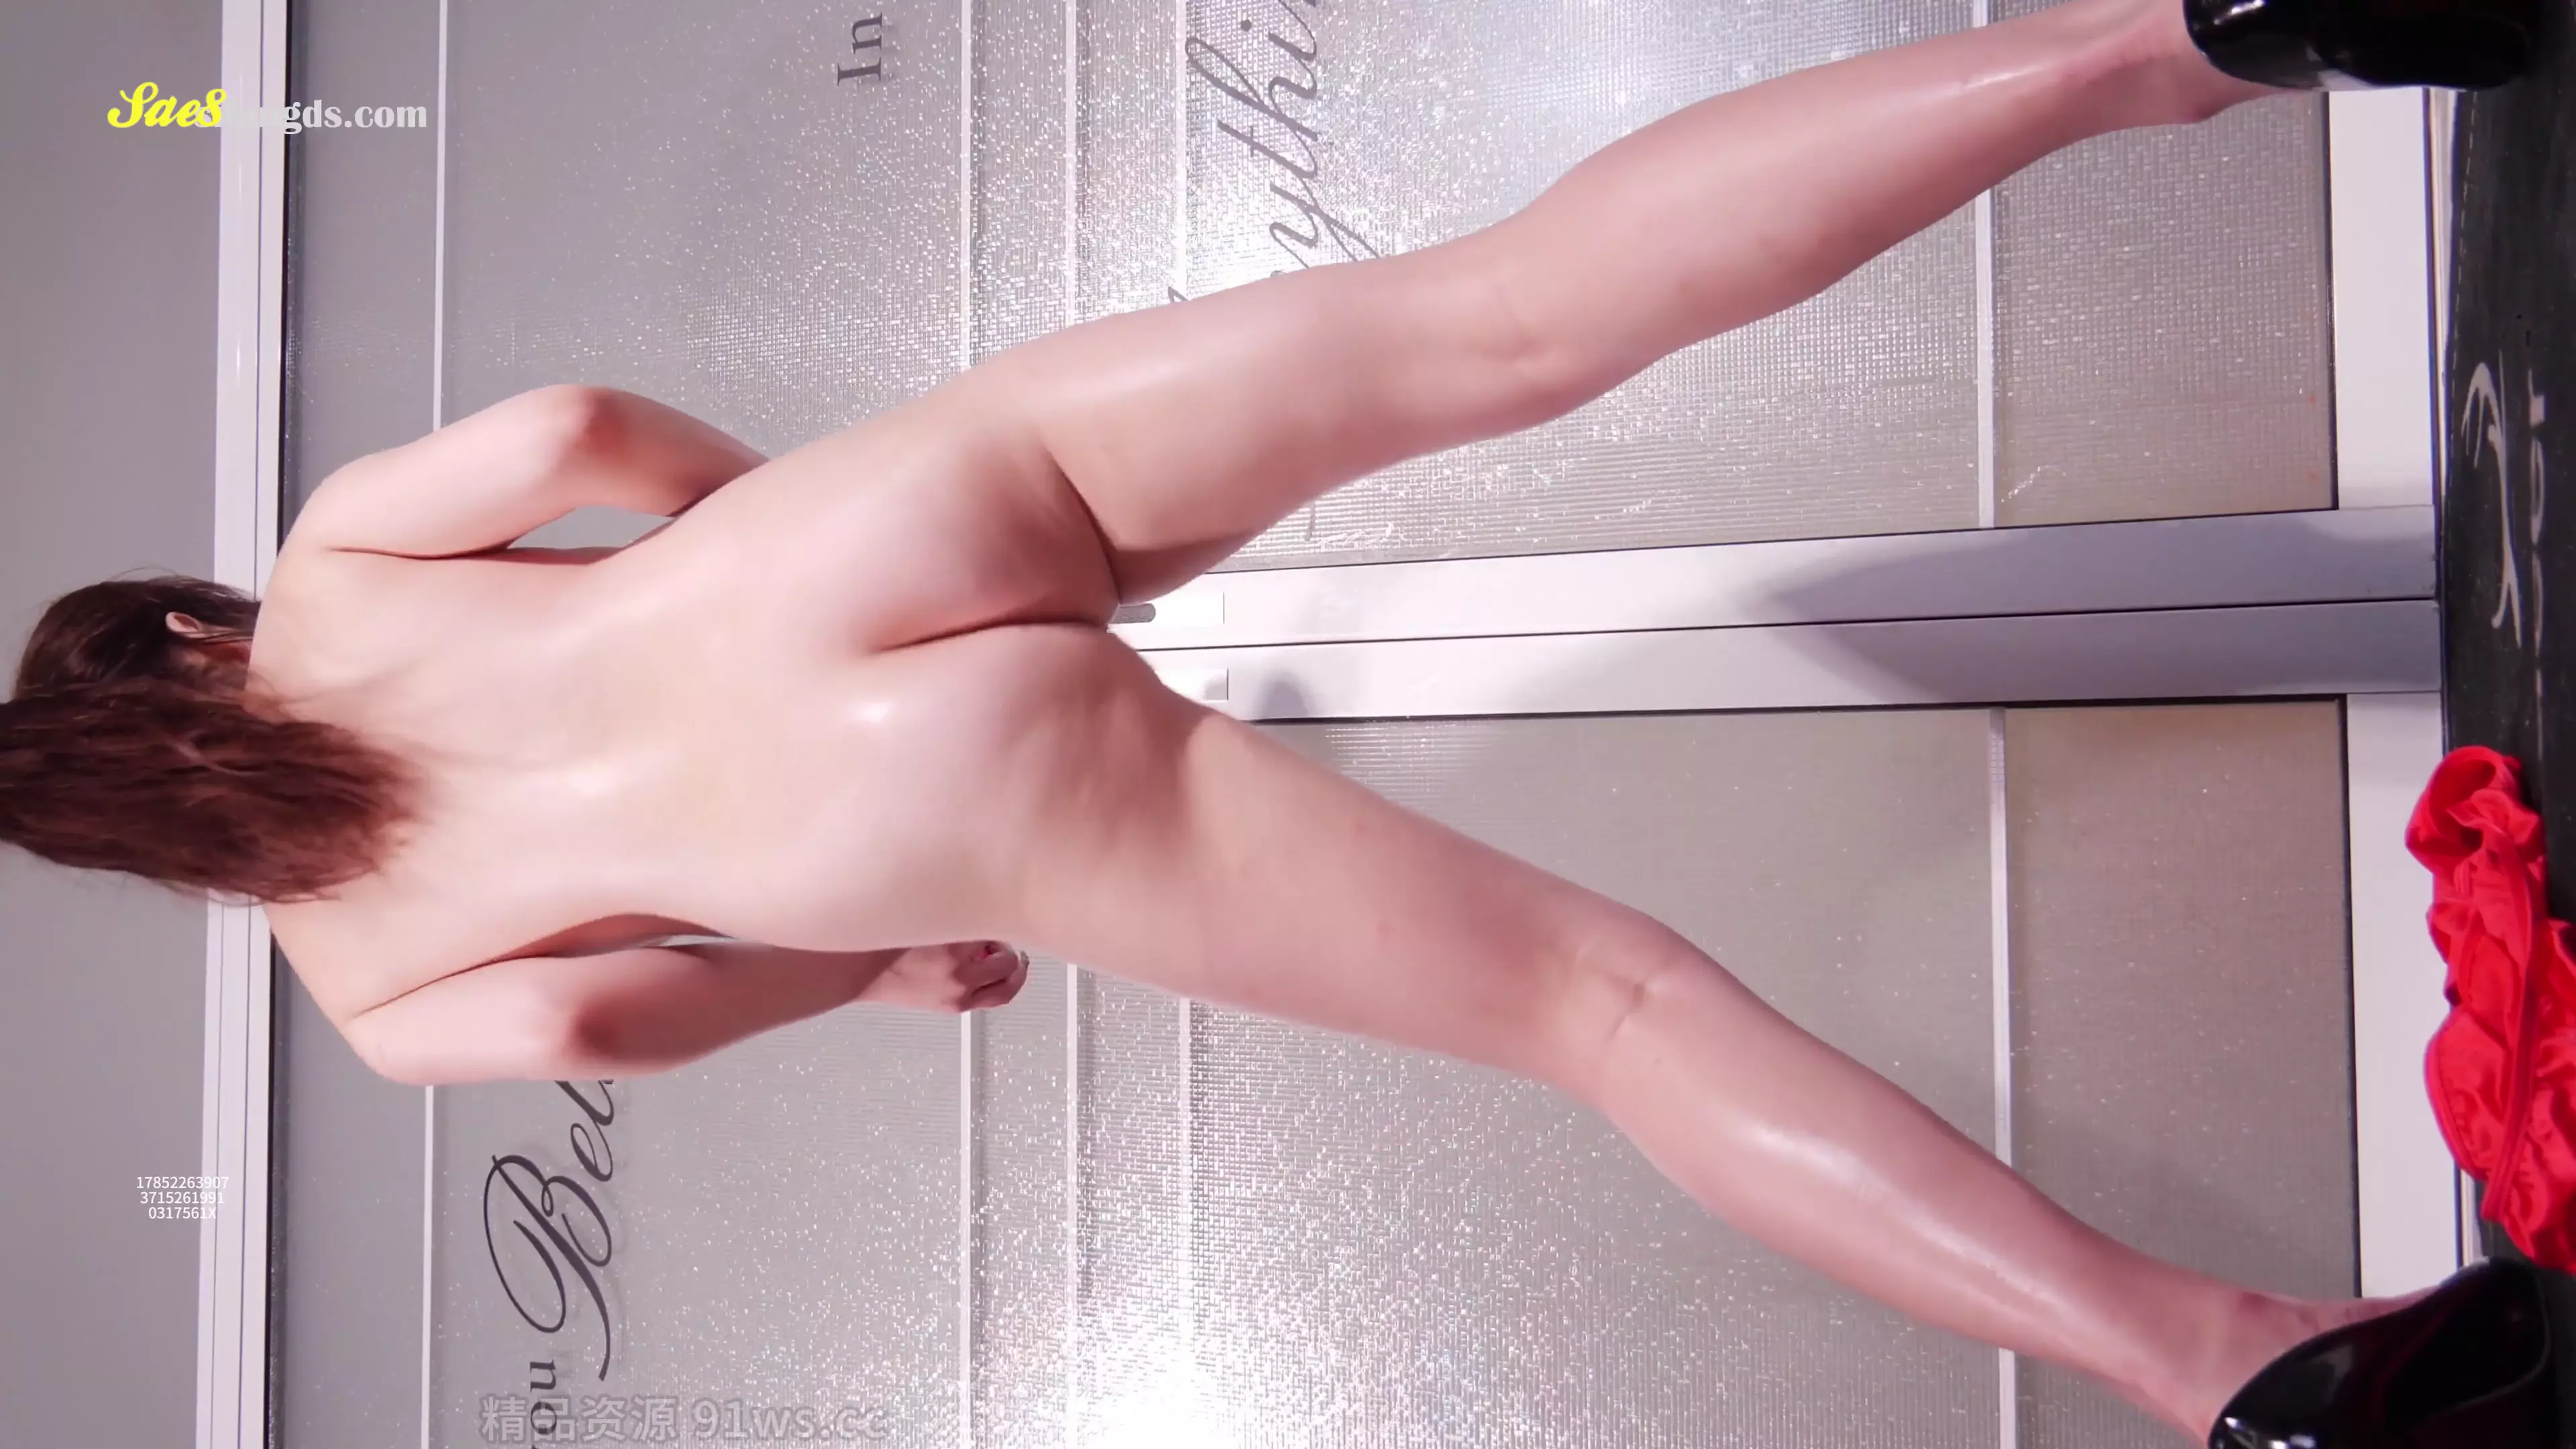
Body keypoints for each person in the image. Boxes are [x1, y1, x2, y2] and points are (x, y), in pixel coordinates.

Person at [2, 0, 2555, 1443]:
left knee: (1606, 1011)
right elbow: (571, 427)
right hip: (863, 541)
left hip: (911, 809)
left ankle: (2236, 1377)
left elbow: (591, 1020)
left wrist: (862, 967)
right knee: (1511, 312)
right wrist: (779, 540)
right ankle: (2203, 26)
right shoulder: (334, 565)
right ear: (190, 655)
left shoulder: (369, 989)